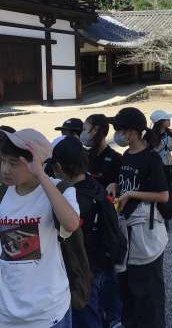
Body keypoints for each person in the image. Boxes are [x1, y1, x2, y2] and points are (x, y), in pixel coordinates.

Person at [0, 129, 80, 328]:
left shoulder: (59, 189)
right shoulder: (3, 193)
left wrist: (41, 176)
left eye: (13, 163)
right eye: (3, 161)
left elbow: (71, 223)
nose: (5, 169)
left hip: (47, 311)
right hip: (7, 313)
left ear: (37, 162)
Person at [106, 107, 169, 328]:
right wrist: (116, 185)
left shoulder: (151, 158)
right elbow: (126, 183)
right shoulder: (126, 155)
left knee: (148, 288)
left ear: (131, 132)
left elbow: (163, 195)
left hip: (145, 230)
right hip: (127, 226)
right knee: (128, 285)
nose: (117, 135)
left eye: (120, 130)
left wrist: (131, 194)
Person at [51, 136, 111, 328]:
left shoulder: (71, 198)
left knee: (85, 315)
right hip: (101, 260)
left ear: (59, 167)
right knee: (95, 309)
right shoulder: (94, 185)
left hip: (83, 268)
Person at [80, 113, 123, 328]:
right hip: (84, 223)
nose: (83, 133)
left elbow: (121, 190)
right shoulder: (83, 157)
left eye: (85, 128)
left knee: (108, 271)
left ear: (96, 130)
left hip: (106, 223)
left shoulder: (115, 158)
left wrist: (115, 186)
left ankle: (114, 316)